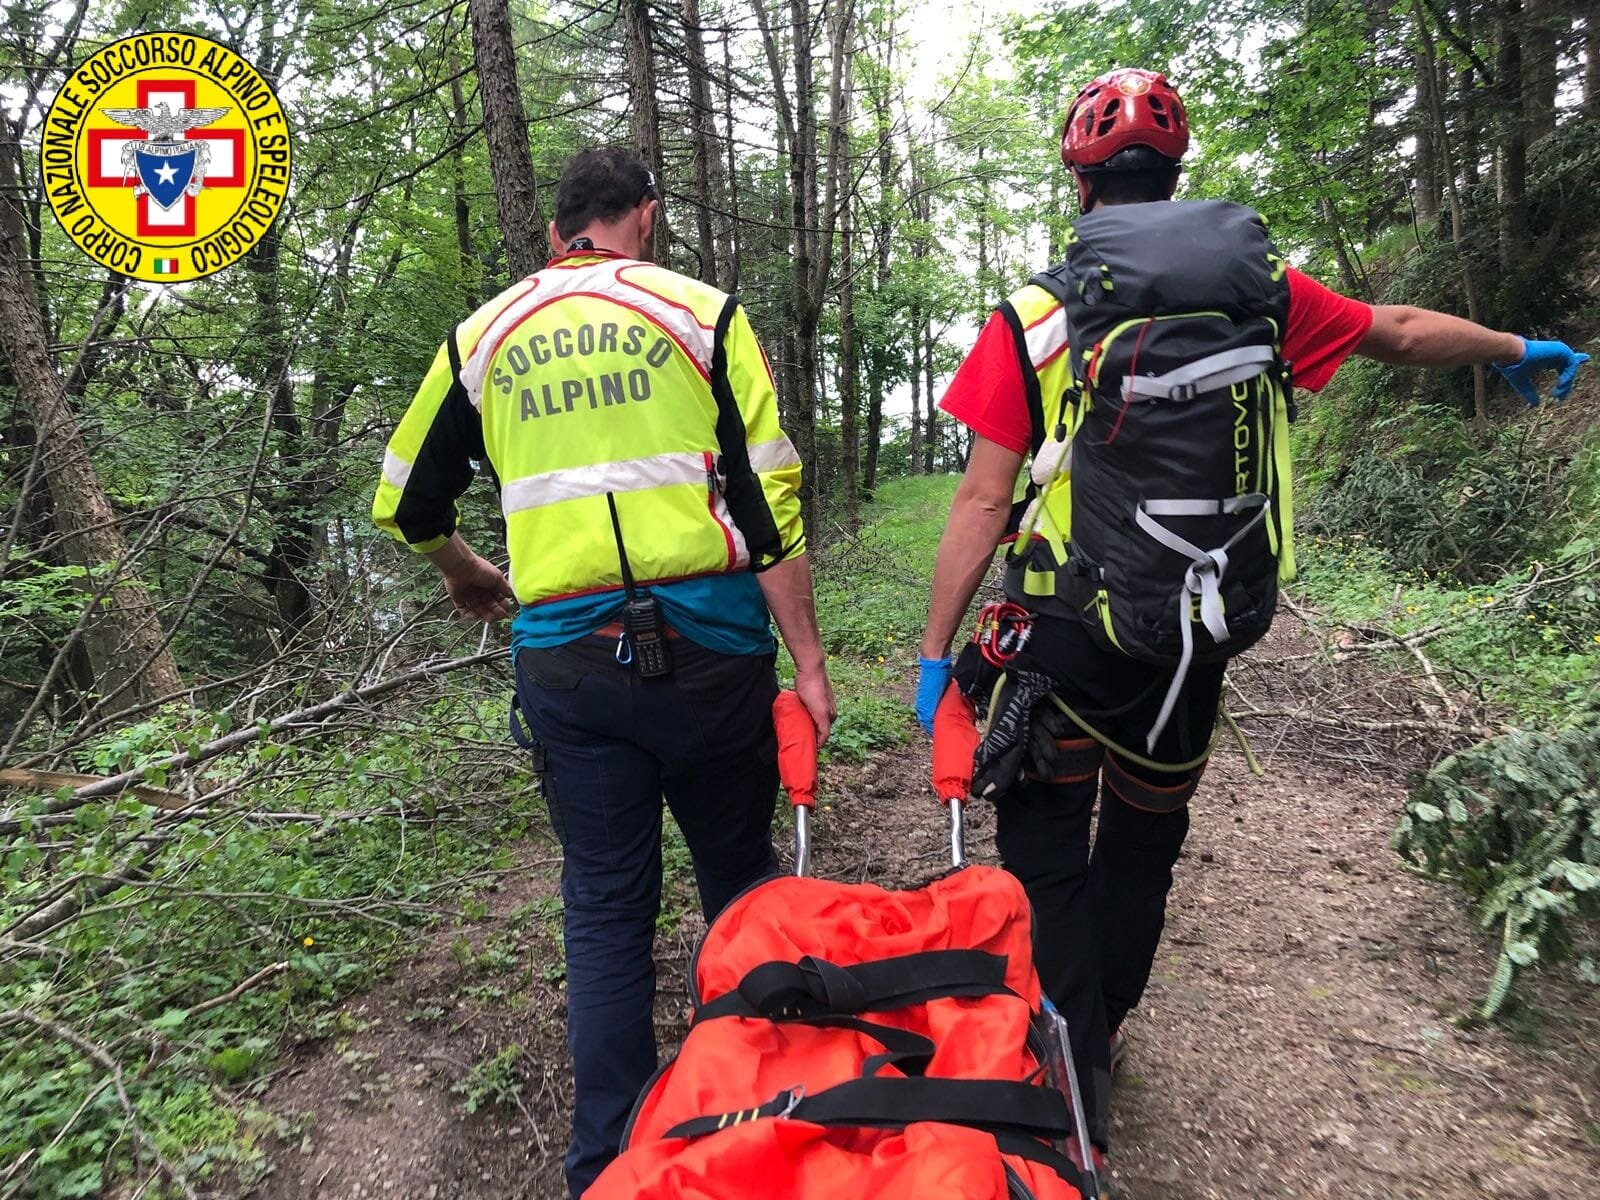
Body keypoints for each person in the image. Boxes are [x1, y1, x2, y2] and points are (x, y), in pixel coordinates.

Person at [914, 68, 1587, 1175]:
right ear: (1177, 176)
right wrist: (1520, 350)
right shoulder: (1261, 292)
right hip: (1199, 629)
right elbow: (1405, 331)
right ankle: (1107, 1034)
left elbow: (984, 500)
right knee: (1144, 839)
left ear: (1079, 183)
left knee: (1045, 847)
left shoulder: (1036, 314)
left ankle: (1066, 1068)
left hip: (1066, 630)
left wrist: (936, 658)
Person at [372, 147, 835, 1197]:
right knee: (738, 880)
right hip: (713, 650)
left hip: (568, 664)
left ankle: (608, 1168)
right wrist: (807, 663)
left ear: (555, 234)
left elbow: (406, 501)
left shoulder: (481, 334)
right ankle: (758, 1123)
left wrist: (463, 571)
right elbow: (768, 508)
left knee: (607, 905)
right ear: (648, 218)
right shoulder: (703, 314)